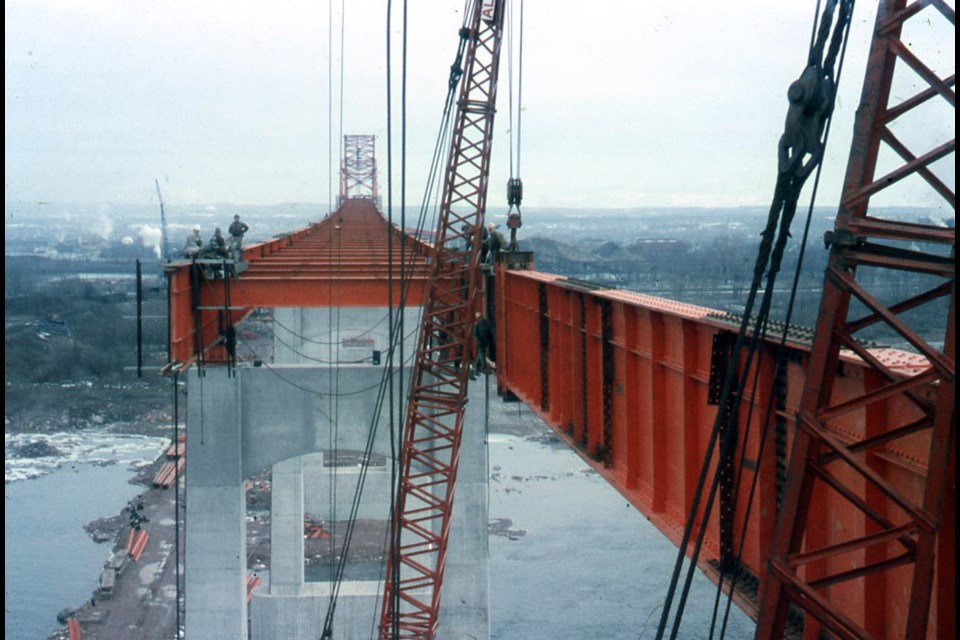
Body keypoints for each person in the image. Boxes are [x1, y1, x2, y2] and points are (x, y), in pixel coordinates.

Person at [471, 311, 495, 379]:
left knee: (480, 353)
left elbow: (475, 333)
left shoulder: (477, 324)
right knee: (481, 353)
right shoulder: (485, 322)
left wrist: (477, 341)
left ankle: (478, 366)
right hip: (484, 340)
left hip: (481, 341)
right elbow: (491, 330)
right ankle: (480, 365)